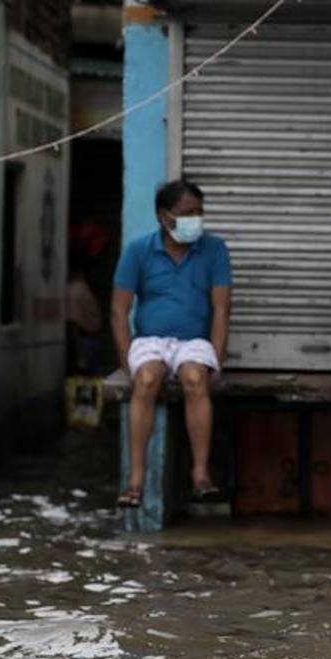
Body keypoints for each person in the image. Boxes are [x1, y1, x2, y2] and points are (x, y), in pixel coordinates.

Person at [111, 178, 232, 508]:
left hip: (194, 342)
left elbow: (222, 309)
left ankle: (200, 474)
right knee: (146, 380)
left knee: (195, 379)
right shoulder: (138, 251)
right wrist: (126, 363)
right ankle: (136, 480)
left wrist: (217, 360)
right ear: (164, 217)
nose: (196, 219)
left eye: (199, 212)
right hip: (149, 340)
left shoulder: (214, 249)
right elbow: (119, 311)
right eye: (188, 213)